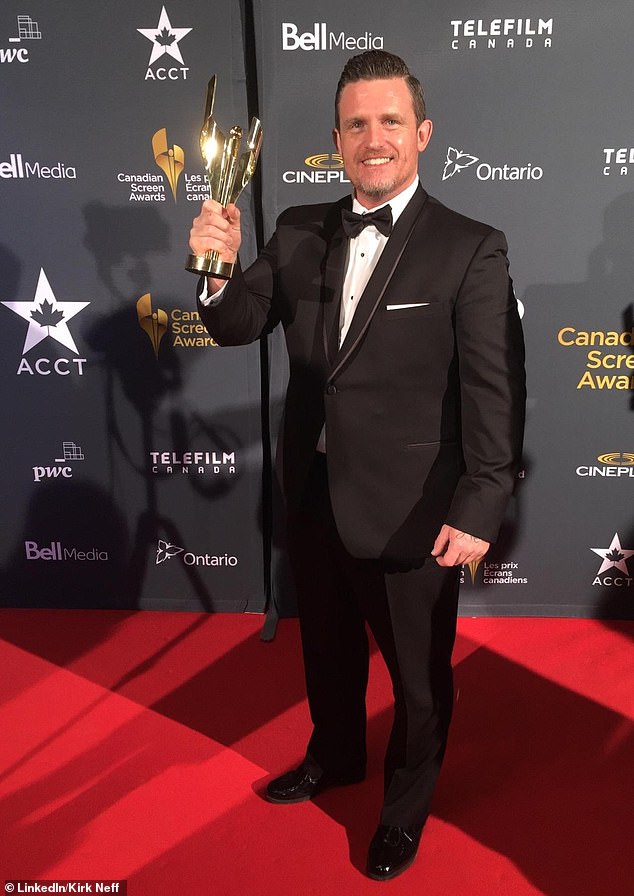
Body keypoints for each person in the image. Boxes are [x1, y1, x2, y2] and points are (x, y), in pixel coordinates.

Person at [190, 50, 525, 881]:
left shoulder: (470, 247)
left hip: (414, 508)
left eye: (390, 122)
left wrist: (481, 503)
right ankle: (335, 757)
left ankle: (403, 810)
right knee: (328, 655)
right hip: (312, 495)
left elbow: (493, 389)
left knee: (418, 681)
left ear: (423, 133)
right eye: (356, 125)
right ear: (336, 139)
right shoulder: (299, 229)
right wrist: (215, 266)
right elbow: (237, 323)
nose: (374, 140)